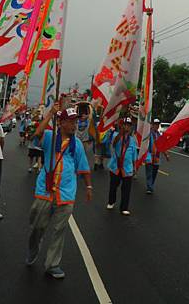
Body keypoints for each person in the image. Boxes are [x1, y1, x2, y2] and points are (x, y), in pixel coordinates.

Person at [26, 104, 92, 279]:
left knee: (59, 231)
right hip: (45, 193)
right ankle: (33, 251)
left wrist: (89, 186)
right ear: (61, 122)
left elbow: (83, 167)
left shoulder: (76, 144)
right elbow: (36, 135)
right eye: (71, 121)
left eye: (75, 122)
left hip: (66, 195)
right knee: (37, 228)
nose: (74, 125)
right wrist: (50, 114)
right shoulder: (50, 136)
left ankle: (52, 264)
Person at [107, 117, 137, 215]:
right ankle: (111, 201)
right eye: (125, 125)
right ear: (121, 125)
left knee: (126, 189)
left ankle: (124, 207)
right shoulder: (116, 135)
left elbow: (134, 155)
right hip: (115, 166)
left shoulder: (132, 140)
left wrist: (135, 167)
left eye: (129, 125)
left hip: (127, 168)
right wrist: (119, 133)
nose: (127, 127)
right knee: (113, 186)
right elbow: (112, 142)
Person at [145, 119, 169, 195]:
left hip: (157, 157)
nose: (157, 125)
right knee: (149, 172)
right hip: (149, 156)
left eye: (158, 124)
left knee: (154, 173)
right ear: (152, 125)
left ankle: (151, 185)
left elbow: (162, 146)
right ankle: (149, 187)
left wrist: (166, 155)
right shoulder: (148, 133)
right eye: (155, 124)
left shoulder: (159, 135)